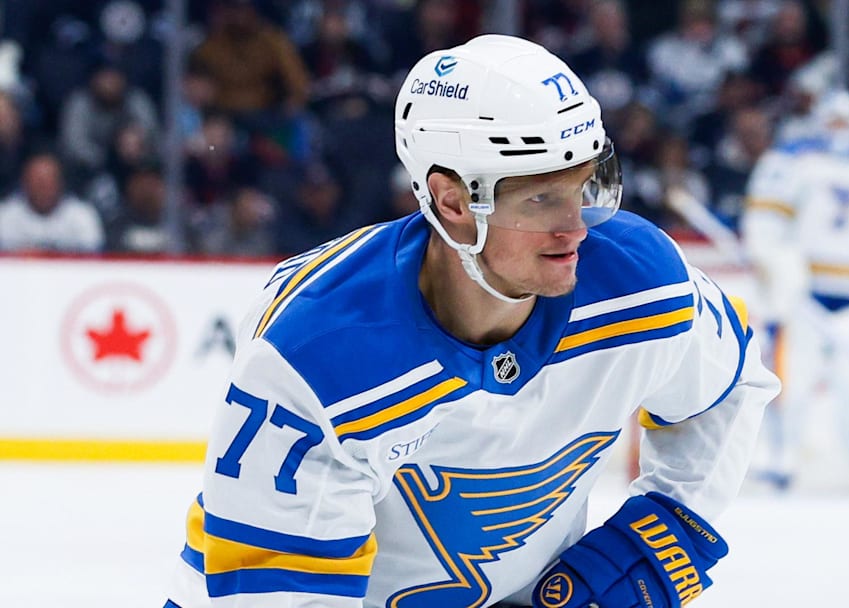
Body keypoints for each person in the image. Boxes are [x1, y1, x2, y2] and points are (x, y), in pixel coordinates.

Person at [163, 34, 779, 608]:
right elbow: (274, 587)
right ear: (453, 202)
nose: (576, 229)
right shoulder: (317, 352)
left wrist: (668, 529)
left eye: (585, 187)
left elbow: (729, 388)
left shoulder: (641, 280)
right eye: (541, 199)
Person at [741, 90, 849, 490]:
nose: (839, 129)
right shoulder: (794, 161)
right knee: (789, 379)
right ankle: (779, 456)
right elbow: (765, 223)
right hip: (805, 295)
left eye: (846, 121)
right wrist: (776, 266)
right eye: (832, 120)